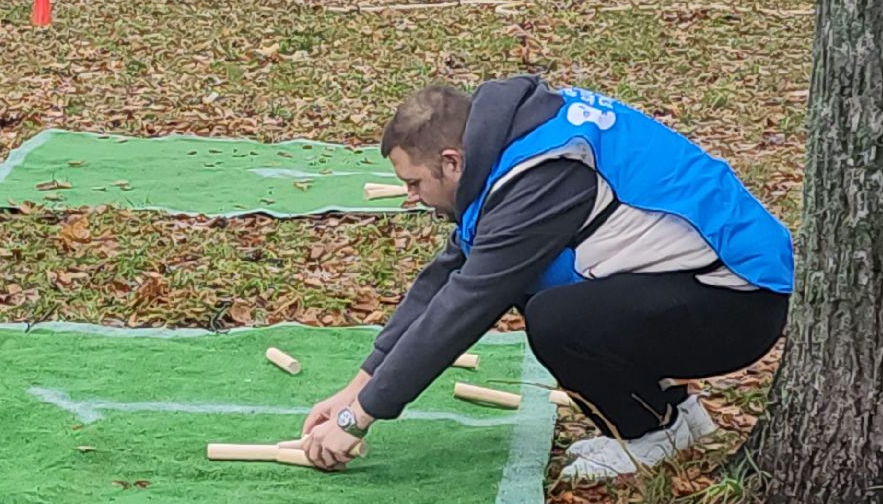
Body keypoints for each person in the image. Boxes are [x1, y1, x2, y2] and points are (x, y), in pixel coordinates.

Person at [298, 77, 794, 480]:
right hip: (699, 289)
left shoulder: (541, 174)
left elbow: (466, 305)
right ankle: (678, 418)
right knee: (545, 293)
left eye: (414, 183)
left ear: (451, 162)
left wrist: (358, 419)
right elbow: (443, 282)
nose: (409, 197)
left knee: (555, 316)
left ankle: (649, 434)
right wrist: (354, 391)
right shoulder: (508, 148)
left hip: (740, 305)